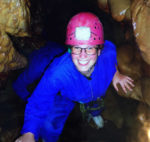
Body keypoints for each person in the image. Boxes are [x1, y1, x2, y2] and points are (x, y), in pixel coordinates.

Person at [14, 12, 134, 142]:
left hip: (91, 92)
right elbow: (38, 100)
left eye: (89, 48)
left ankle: (93, 113)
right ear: (70, 49)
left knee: (94, 101)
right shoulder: (58, 73)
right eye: (77, 48)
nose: (83, 55)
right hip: (67, 94)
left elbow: (111, 52)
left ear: (99, 50)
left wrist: (116, 74)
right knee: (50, 125)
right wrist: (29, 133)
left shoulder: (107, 53)